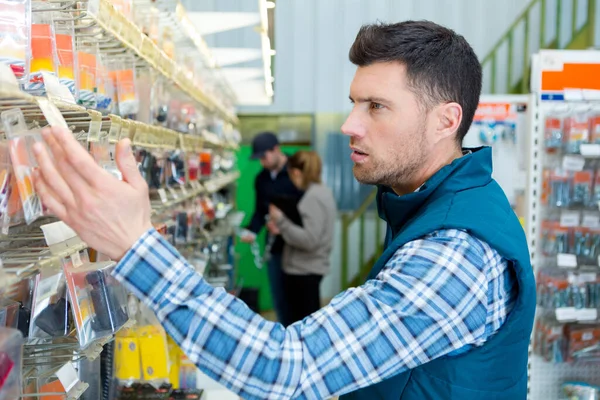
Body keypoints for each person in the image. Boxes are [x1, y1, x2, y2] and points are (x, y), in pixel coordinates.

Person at [32, 20, 535, 400]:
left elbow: (285, 368)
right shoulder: (434, 209)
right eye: (354, 102)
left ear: (446, 120)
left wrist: (136, 246)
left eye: (376, 107)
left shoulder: (457, 252)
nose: (349, 125)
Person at [266, 151, 336, 325]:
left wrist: (281, 221)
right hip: (309, 269)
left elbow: (309, 240)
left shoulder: (313, 197)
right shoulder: (322, 192)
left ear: (296, 173)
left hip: (304, 271)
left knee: (301, 324)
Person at [241, 131, 303, 324]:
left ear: (276, 149)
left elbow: (310, 209)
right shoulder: (261, 180)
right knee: (280, 297)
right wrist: (252, 230)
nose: (262, 162)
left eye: (264, 156)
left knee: (301, 298)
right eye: (259, 159)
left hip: (300, 246)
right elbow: (260, 210)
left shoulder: (299, 170)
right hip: (275, 247)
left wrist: (286, 226)